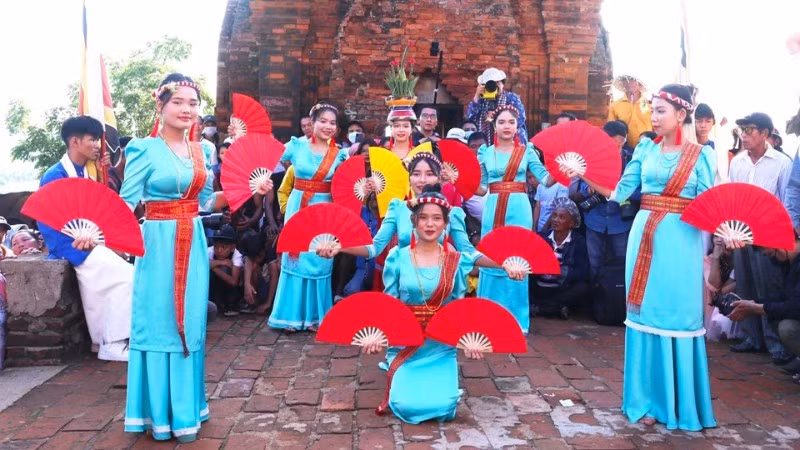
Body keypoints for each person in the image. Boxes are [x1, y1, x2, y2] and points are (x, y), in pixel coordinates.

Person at [120, 73, 272, 441]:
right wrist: (99, 234)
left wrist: (249, 190)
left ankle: (188, 409)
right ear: (161, 105)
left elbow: (205, 202)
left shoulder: (201, 151)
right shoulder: (143, 148)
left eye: (192, 103)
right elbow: (125, 203)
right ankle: (156, 413)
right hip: (157, 242)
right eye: (178, 102)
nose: (186, 109)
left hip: (193, 239)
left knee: (190, 321)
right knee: (158, 320)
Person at [571, 84, 716, 431]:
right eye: (653, 109)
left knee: (677, 314)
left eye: (662, 110)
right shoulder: (645, 151)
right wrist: (584, 175)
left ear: (682, 115)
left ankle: (679, 402)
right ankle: (647, 399)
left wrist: (726, 235)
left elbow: (711, 206)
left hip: (682, 241)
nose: (654, 115)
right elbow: (619, 194)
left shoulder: (703, 155)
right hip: (643, 237)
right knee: (645, 314)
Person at [317, 184, 526, 424]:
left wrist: (507, 265)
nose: (430, 224)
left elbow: (477, 265)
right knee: (404, 405)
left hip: (440, 345)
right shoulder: (398, 256)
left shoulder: (456, 260)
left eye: (437, 218)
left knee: (445, 405)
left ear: (445, 224)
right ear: (414, 222)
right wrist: (378, 335)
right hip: (407, 342)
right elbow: (390, 304)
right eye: (423, 218)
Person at [37, 116, 132, 362]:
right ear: (76, 141)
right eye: (93, 140)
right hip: (70, 247)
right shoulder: (54, 176)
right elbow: (49, 222)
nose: (98, 145)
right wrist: (79, 245)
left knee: (125, 269)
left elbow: (98, 215)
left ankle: (102, 339)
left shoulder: (86, 173)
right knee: (126, 277)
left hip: (91, 244)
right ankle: (112, 342)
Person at [325, 151, 477, 292]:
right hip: (406, 285)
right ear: (409, 178)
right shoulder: (398, 208)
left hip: (439, 286)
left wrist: (498, 262)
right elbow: (374, 248)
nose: (422, 180)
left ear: (439, 178)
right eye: (416, 174)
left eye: (429, 174)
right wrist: (341, 247)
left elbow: (469, 252)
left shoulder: (451, 212)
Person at [267, 103, 348, 331]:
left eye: (333, 123)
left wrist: (365, 186)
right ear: (312, 123)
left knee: (319, 257)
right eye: (323, 121)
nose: (328, 126)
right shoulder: (296, 146)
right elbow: (268, 157)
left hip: (325, 208)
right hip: (299, 206)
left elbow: (347, 185)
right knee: (297, 256)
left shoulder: (340, 154)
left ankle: (315, 316)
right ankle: (290, 317)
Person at [473, 105, 553, 334]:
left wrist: (563, 172)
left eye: (511, 122)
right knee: (492, 256)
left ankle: (517, 319)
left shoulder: (526, 151)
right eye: (502, 122)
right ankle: (489, 316)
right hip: (494, 206)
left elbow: (545, 180)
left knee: (518, 259)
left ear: (518, 126)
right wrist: (457, 179)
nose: (507, 126)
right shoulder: (485, 152)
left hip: (519, 208)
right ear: (494, 125)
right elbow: (480, 189)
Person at [728, 112, 793, 365]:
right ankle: (751, 337)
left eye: (750, 130)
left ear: (766, 133)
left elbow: (786, 203)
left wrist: (781, 238)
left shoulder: (781, 163)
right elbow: (732, 198)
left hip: (768, 233)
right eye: (741, 131)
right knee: (745, 285)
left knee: (770, 288)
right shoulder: (737, 163)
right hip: (740, 232)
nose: (744, 135)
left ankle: (776, 343)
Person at [577, 121, 639, 280]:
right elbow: (582, 185)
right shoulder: (593, 159)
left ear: (624, 141)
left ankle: (618, 301)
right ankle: (595, 300)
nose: (617, 149)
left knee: (622, 263)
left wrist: (619, 192)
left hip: (621, 221)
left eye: (620, 144)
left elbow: (641, 191)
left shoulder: (632, 161)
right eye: (612, 144)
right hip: (595, 220)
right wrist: (589, 189)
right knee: (594, 264)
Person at [730, 238, 800, 376]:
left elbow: (795, 307)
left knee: (787, 328)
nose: (772, 261)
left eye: (771, 256)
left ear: (779, 247)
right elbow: (785, 297)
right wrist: (755, 303)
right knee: (776, 319)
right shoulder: (792, 263)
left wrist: (758, 308)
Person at [532, 198, 589, 319]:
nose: (556, 220)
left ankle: (540, 309)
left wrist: (559, 271)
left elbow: (582, 272)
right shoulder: (541, 238)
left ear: (571, 223)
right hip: (540, 287)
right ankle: (554, 309)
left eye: (562, 217)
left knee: (583, 288)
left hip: (561, 289)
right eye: (554, 216)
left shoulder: (578, 242)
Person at [467, 68, 528, 144]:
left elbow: (521, 119)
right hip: (486, 141)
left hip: (510, 141)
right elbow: (470, 119)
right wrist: (476, 96)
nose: (494, 87)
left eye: (497, 83)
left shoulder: (511, 98)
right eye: (491, 84)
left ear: (502, 84)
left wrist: (498, 119)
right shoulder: (481, 100)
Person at [207, 225, 243, 316]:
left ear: (232, 247)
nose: (219, 250)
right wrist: (222, 262)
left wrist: (214, 267)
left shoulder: (237, 255)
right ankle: (216, 302)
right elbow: (202, 264)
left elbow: (234, 281)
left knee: (225, 269)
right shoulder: (209, 252)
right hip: (215, 287)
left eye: (224, 247)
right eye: (216, 246)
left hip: (233, 289)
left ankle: (232, 304)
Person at [608, 75, 652, 148]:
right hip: (625, 148)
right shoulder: (615, 106)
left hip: (648, 146)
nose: (628, 82)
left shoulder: (650, 104)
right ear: (622, 83)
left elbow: (658, 128)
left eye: (632, 79)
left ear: (640, 83)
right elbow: (612, 130)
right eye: (625, 80)